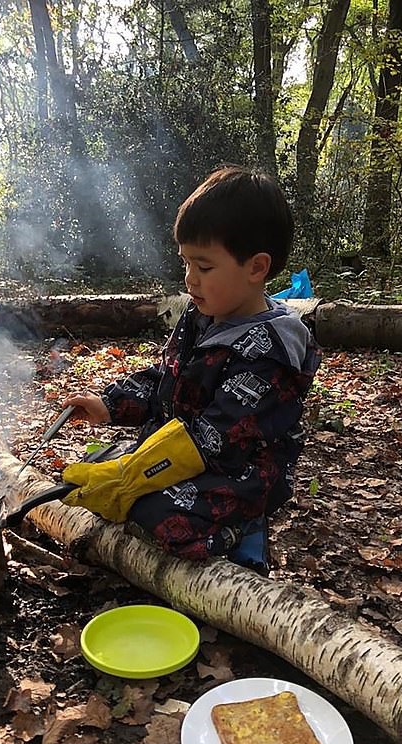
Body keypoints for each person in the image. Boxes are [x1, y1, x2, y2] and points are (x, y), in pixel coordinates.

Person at [60, 165, 321, 572]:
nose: (190, 280)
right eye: (185, 264)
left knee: (156, 513)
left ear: (256, 268)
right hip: (180, 453)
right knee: (92, 472)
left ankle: (243, 530)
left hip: (239, 473)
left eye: (204, 267)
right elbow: (168, 377)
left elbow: (217, 440)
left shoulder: (271, 351)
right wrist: (110, 405)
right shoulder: (204, 314)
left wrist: (133, 476)